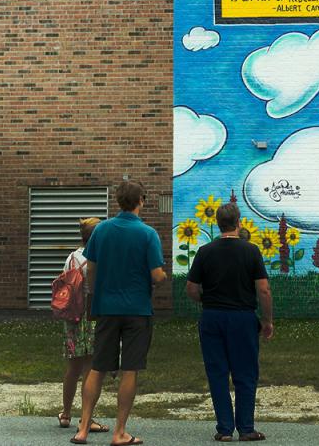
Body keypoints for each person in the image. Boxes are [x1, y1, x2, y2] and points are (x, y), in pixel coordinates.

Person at [71, 181, 168, 446]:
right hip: (137, 309)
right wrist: (162, 276)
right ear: (141, 201)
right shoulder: (148, 234)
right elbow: (156, 275)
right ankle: (120, 432)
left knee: (98, 368)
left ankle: (82, 429)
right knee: (130, 369)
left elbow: (90, 269)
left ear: (118, 201)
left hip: (106, 308)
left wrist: (96, 294)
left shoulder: (101, 231)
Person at [186, 202, 274, 442]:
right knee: (245, 374)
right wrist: (267, 321)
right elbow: (264, 290)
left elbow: (191, 288)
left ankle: (224, 429)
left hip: (212, 316)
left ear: (217, 223)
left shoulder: (205, 251)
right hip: (243, 318)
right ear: (239, 222)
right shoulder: (251, 251)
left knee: (217, 373)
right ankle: (246, 428)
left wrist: (205, 300)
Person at [58, 218, 108, 434]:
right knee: (90, 367)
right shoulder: (99, 257)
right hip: (92, 313)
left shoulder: (71, 257)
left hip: (72, 315)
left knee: (72, 367)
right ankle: (87, 418)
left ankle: (66, 413)